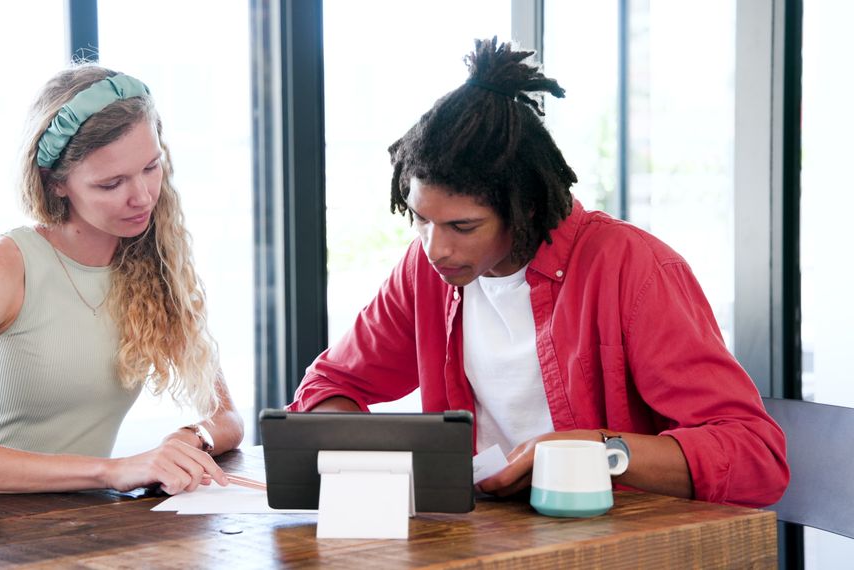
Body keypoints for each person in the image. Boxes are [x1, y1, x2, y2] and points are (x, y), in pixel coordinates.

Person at [287, 38, 788, 508]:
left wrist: (594, 451)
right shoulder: (426, 269)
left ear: (525, 206)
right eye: (420, 219)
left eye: (463, 225)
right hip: (482, 540)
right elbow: (330, 385)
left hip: (612, 548)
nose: (434, 247)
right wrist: (378, 461)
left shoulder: (633, 269)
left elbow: (754, 455)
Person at [0, 64, 243, 495]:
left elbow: (227, 418)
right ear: (56, 184)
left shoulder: (152, 264)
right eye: (111, 184)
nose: (142, 197)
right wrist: (112, 471)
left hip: (86, 526)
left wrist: (187, 439)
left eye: (151, 167)